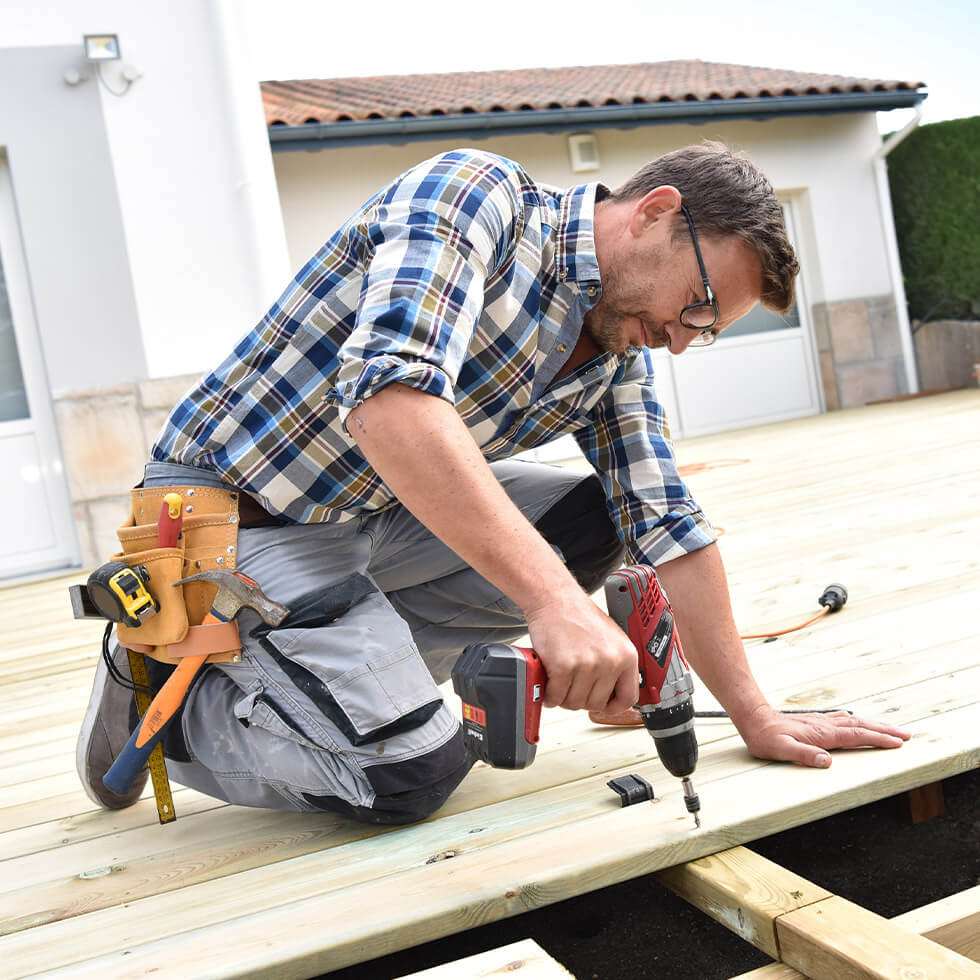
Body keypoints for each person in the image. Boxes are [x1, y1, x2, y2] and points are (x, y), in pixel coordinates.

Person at [76, 142, 910, 824]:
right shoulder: (479, 197)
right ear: (656, 211)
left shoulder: (612, 351)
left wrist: (754, 714)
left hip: (372, 514)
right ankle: (164, 697)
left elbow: (668, 522)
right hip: (237, 515)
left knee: (598, 521)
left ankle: (354, 672)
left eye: (710, 331)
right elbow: (389, 404)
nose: (685, 341)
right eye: (697, 305)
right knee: (410, 773)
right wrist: (559, 607)